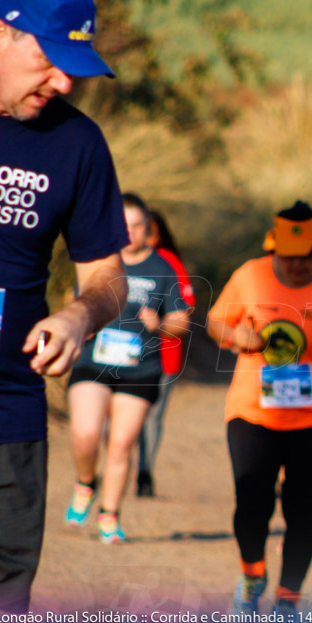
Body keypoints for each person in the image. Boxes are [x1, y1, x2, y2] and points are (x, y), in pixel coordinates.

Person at [0, 0, 129, 623]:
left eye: (74, 67)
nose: (63, 83)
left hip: (4, 421)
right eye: (50, 61)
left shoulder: (76, 144)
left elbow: (107, 278)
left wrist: (78, 314)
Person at [207, 201, 312, 617]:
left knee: (302, 507)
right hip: (253, 412)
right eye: (286, 259)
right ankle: (252, 574)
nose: (295, 268)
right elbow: (216, 322)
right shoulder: (250, 275)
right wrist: (236, 335)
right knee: (252, 500)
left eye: (304, 259)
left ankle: (288, 597)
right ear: (274, 249)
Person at [65, 193, 191, 542]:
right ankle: (86, 482)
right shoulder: (97, 261)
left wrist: (161, 324)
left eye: (138, 226)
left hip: (140, 369)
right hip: (93, 362)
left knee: (121, 445)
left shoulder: (162, 268)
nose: (131, 232)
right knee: (86, 434)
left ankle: (109, 515)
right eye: (124, 225)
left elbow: (182, 321)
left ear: (148, 229)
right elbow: (74, 302)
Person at [136, 209, 196, 498]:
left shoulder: (168, 263)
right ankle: (120, 464)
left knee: (153, 416)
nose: (143, 236)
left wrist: (161, 321)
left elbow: (187, 308)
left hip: (164, 353)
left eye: (149, 230)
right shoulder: (116, 259)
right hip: (117, 356)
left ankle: (144, 472)